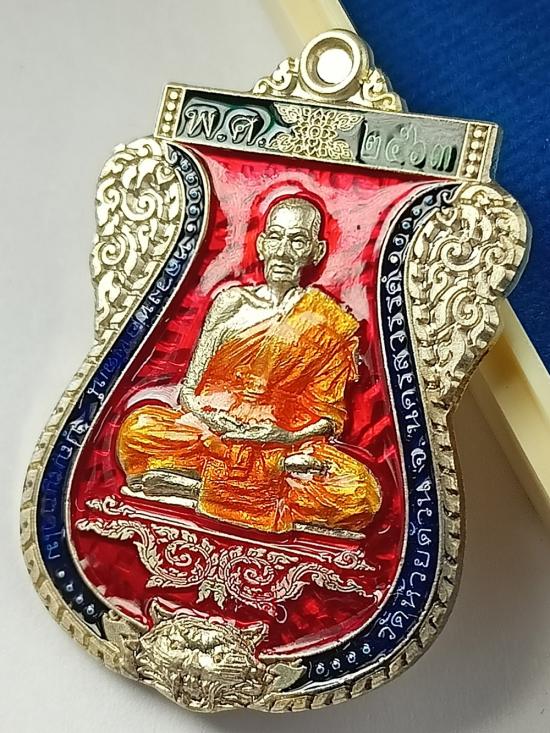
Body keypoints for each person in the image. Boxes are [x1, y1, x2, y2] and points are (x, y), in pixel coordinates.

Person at [117, 197, 381, 533]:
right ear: (261, 244)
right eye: (276, 237)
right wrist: (212, 420)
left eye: (297, 240)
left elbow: (328, 418)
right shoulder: (230, 303)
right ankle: (252, 489)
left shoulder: (329, 322)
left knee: (359, 492)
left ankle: (193, 488)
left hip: (283, 444)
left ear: (316, 252)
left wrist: (284, 434)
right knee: (139, 429)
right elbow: (189, 390)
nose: (283, 251)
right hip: (213, 434)